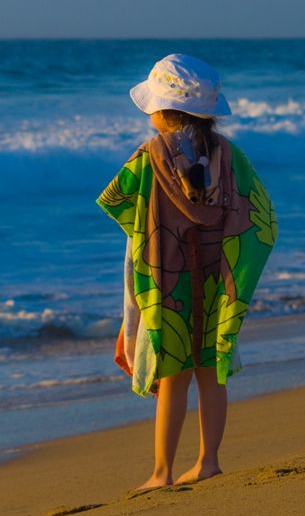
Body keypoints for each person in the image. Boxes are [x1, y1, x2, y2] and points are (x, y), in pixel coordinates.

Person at [95, 54, 277, 491]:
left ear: (164, 110)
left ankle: (162, 472)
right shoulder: (229, 154)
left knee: (172, 374)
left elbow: (116, 201)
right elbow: (260, 214)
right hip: (218, 276)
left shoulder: (149, 154)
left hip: (167, 278)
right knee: (212, 368)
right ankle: (209, 461)